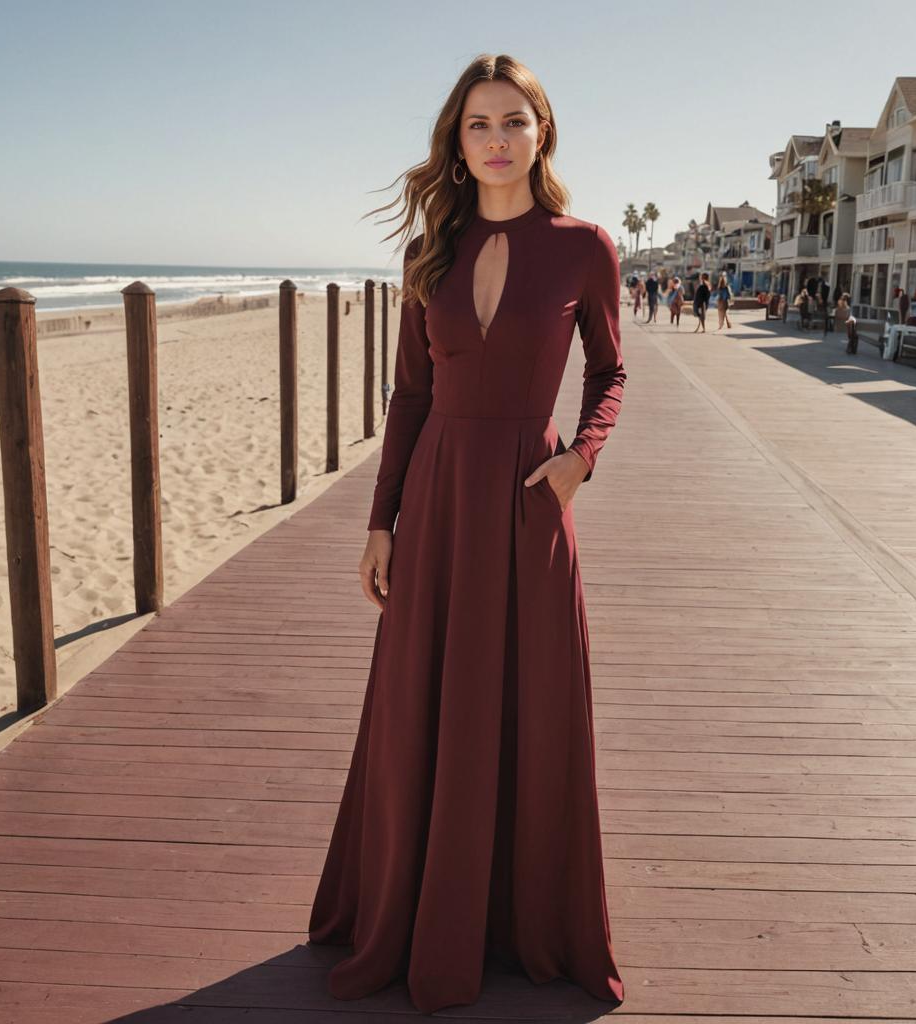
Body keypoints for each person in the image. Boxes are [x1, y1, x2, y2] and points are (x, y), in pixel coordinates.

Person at [306, 56, 626, 1014]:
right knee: (423, 702)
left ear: (542, 133)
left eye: (513, 122)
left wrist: (580, 462)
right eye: (478, 124)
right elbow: (410, 396)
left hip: (531, 500)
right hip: (440, 498)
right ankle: (414, 911)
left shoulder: (585, 248)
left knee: (530, 702)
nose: (496, 139)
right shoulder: (428, 255)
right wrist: (380, 520)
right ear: (458, 140)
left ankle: (519, 919)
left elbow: (610, 373)